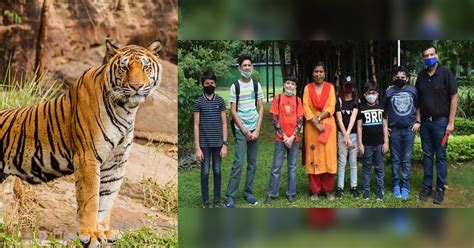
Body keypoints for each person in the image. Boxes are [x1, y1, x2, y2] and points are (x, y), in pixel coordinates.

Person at [416, 43, 458, 204]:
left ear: (436, 55)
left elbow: (454, 97)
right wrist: (418, 120)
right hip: (426, 123)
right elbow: (418, 101)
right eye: (426, 56)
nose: (429, 58)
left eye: (431, 54)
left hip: (441, 123)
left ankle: (440, 189)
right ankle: (427, 187)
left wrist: (451, 122)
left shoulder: (446, 73)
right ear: (423, 58)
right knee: (427, 156)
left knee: (440, 156)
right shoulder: (421, 76)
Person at [224, 54, 264, 208]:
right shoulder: (235, 86)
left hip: (255, 127)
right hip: (241, 128)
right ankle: (229, 196)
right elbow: (233, 111)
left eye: (249, 65)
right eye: (244, 65)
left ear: (252, 67)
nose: (247, 68)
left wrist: (257, 130)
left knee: (252, 163)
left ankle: (248, 193)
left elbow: (261, 108)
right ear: (240, 68)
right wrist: (245, 131)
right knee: (239, 162)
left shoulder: (256, 85)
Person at [264, 75, 304, 205]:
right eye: (288, 83)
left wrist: (292, 136)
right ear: (284, 84)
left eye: (293, 84)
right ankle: (272, 193)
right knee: (276, 167)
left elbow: (300, 120)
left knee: (292, 167)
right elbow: (275, 119)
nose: (290, 86)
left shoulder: (298, 100)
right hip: (280, 139)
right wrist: (284, 136)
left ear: (295, 87)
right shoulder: (278, 98)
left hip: (294, 139)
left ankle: (291, 193)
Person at [302, 61, 337, 201]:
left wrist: (319, 118)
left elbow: (331, 107)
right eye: (316, 71)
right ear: (312, 73)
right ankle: (315, 190)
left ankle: (328, 190)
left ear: (325, 73)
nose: (318, 74)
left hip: (327, 126)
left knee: (328, 157)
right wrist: (316, 123)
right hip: (312, 128)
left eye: (321, 71)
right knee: (313, 156)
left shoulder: (330, 87)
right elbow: (305, 107)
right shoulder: (307, 88)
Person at [384, 66, 419, 200]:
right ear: (394, 78)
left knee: (406, 159)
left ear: (407, 78)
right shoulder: (389, 92)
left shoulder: (413, 90)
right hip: (394, 131)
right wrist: (385, 127)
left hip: (409, 130)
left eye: (403, 77)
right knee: (396, 159)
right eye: (397, 77)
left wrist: (418, 122)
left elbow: (418, 107)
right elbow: (384, 111)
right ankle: (395, 185)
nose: (400, 79)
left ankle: (405, 186)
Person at [194, 71, 228, 208]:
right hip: (204, 144)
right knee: (205, 172)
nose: (210, 85)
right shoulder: (198, 102)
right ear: (203, 84)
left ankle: (217, 200)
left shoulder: (220, 101)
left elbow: (224, 123)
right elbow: (196, 125)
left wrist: (225, 144)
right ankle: (206, 200)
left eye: (212, 83)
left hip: (218, 143)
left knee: (218, 171)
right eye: (207, 83)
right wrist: (197, 147)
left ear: (215, 84)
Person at [357, 81, 389, 201]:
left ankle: (380, 191)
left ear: (377, 93)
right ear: (365, 94)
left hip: (379, 143)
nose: (371, 95)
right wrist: (360, 144)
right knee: (366, 168)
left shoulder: (381, 108)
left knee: (379, 168)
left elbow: (385, 126)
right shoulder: (362, 109)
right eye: (368, 92)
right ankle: (366, 191)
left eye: (373, 92)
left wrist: (386, 142)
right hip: (367, 144)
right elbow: (359, 127)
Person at [334, 76, 360, 199]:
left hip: (353, 134)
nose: (348, 88)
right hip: (341, 135)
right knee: (342, 161)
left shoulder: (356, 101)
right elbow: (339, 120)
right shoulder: (339, 101)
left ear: (353, 88)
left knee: (353, 161)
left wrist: (348, 137)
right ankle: (340, 187)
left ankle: (354, 186)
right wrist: (345, 136)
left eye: (351, 86)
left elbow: (353, 118)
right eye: (346, 86)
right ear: (343, 87)